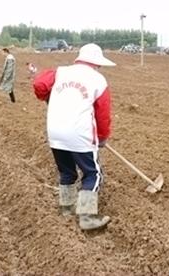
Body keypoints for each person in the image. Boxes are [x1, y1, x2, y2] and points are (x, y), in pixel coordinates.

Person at [33, 43, 115, 231]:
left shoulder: (60, 72)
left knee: (67, 172)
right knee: (93, 174)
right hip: (80, 135)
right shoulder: (98, 80)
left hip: (55, 132)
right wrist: (102, 137)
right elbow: (103, 113)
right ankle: (86, 217)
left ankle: (67, 208)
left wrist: (46, 98)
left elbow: (39, 84)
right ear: (97, 63)